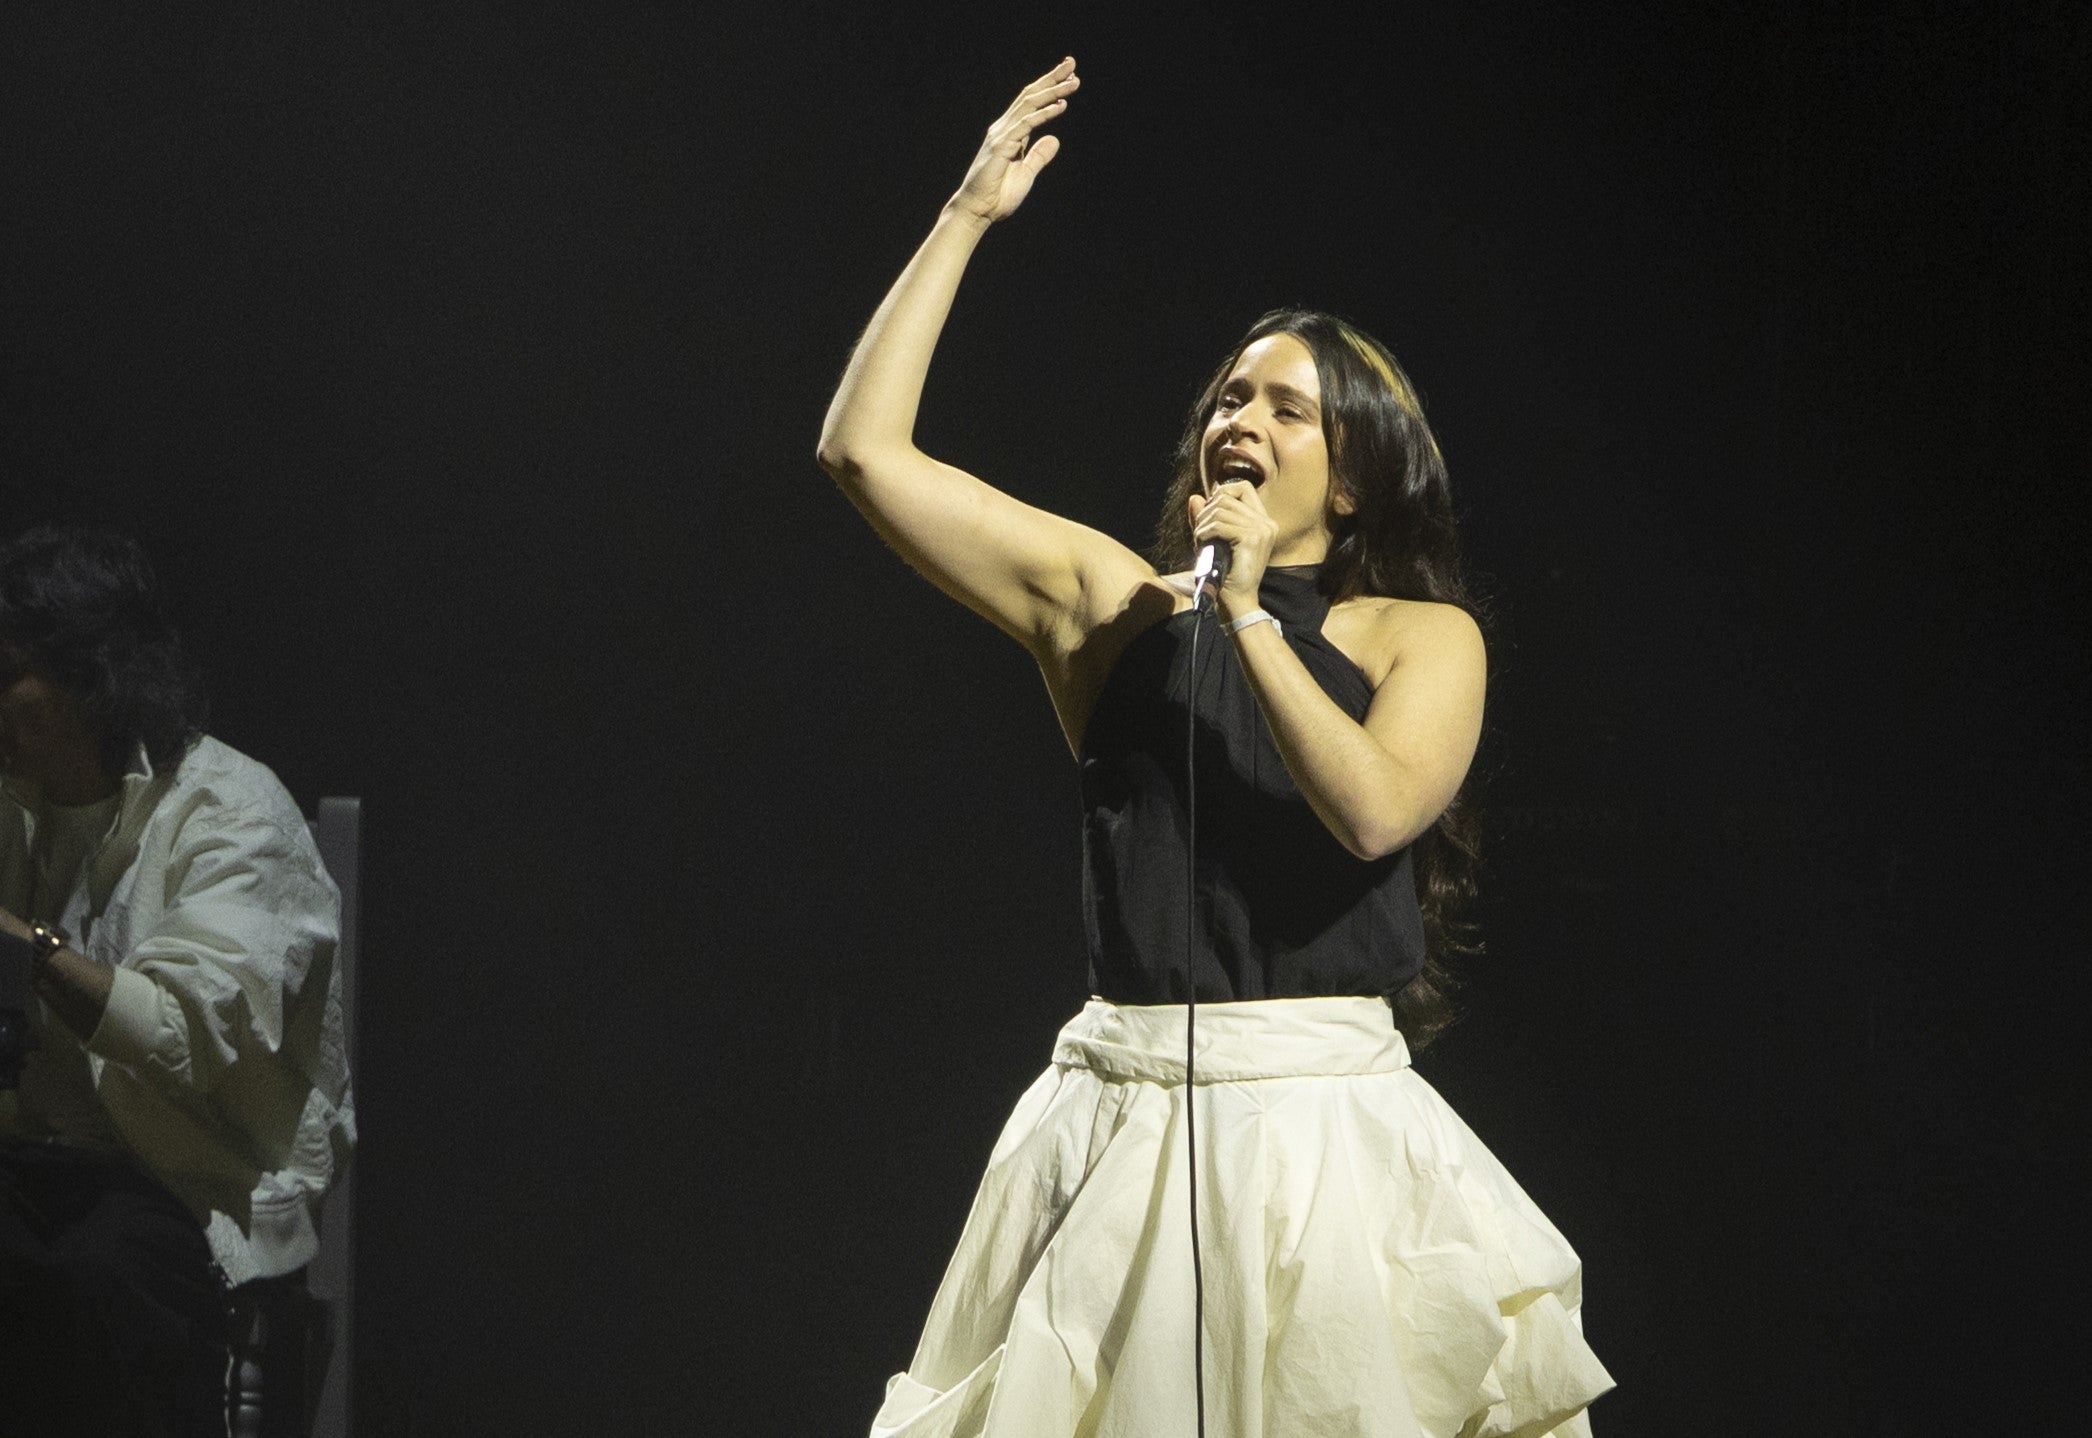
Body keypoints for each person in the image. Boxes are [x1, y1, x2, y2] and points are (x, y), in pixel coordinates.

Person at [818, 60, 1615, 1438]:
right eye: (1229, 398)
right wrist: (965, 215)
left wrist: (1244, 611)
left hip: (1324, 1133)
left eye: (1286, 408)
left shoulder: (1417, 637)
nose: (1237, 421)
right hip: (1118, 1113)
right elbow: (864, 454)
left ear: (1351, 475)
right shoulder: (1113, 604)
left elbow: (1372, 814)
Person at [0, 526, 353, 1438]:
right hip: (31, 1160)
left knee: (98, 1281)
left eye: (8, 674)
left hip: (179, 1178)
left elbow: (177, 1035)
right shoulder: (13, 803)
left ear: (92, 677)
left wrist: (19, 945)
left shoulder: (234, 816)